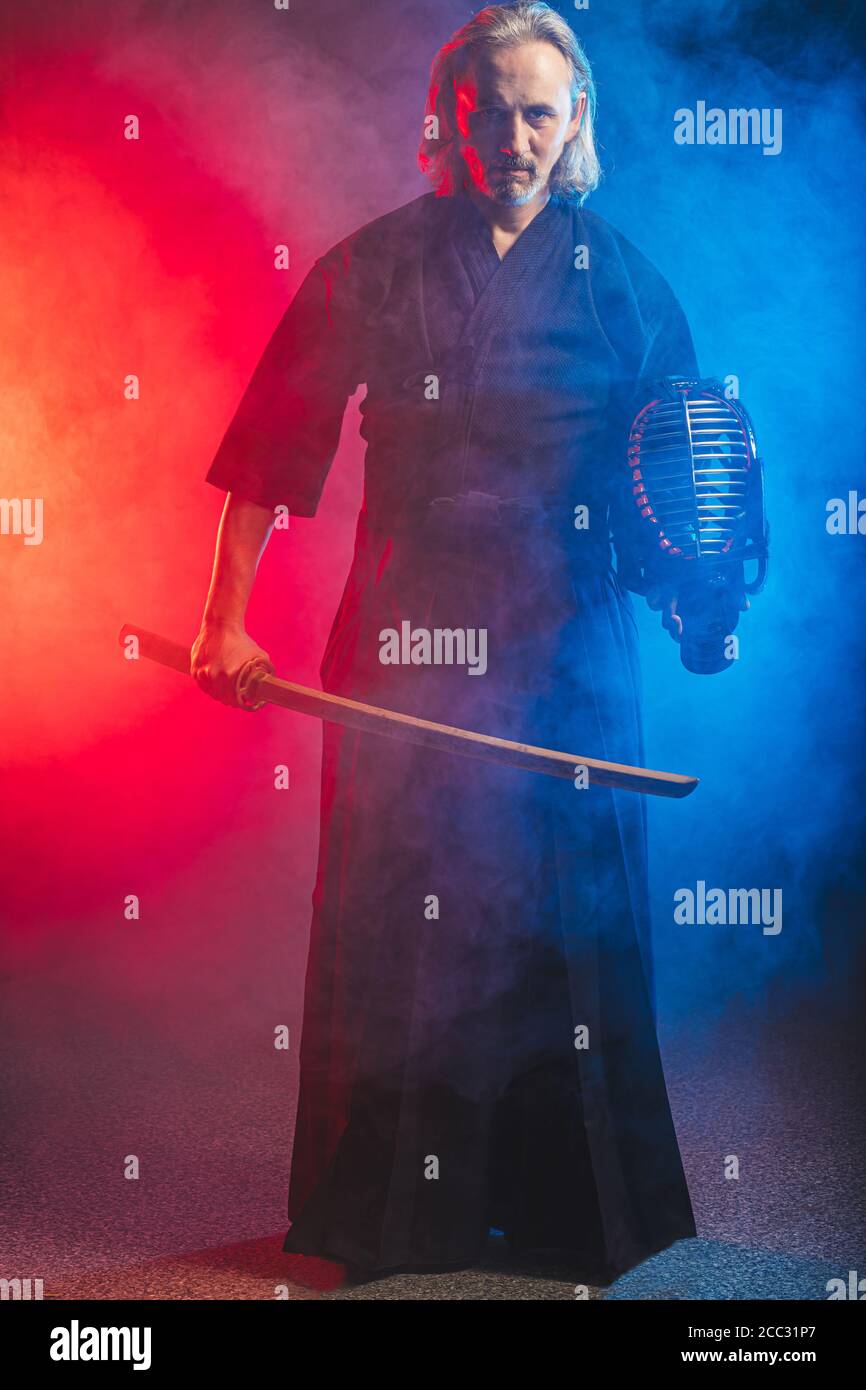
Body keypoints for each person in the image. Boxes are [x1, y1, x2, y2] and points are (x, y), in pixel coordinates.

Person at [192, 0, 698, 1284]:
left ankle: (568, 1218)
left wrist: (701, 618)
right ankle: (388, 1221)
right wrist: (221, 620)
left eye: (541, 111)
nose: (516, 138)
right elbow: (269, 452)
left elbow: (671, 489)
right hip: (405, 642)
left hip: (569, 656)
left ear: (574, 117)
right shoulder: (372, 264)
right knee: (397, 912)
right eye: (492, 112)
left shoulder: (629, 282)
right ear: (450, 117)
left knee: (565, 921)